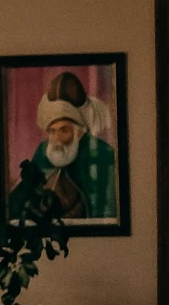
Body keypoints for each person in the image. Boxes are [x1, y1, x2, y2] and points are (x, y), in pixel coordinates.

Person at [26, 69, 116, 219]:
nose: (57, 139)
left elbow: (106, 212)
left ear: (79, 133)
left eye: (64, 130)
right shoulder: (42, 151)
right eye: (52, 131)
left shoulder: (102, 153)